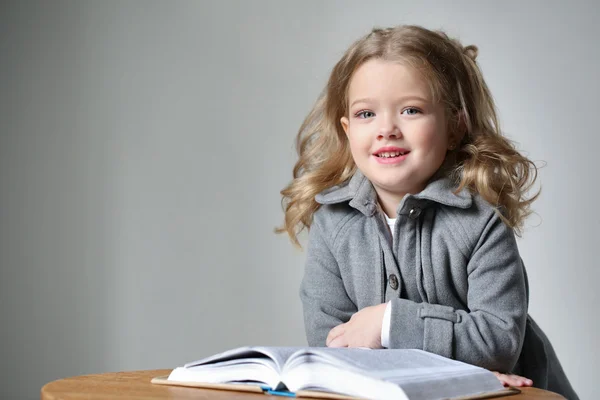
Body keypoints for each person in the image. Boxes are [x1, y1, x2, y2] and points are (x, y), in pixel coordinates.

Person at [277, 25, 578, 399]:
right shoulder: (333, 223)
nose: (387, 129)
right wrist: (458, 366)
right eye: (366, 113)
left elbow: (498, 342)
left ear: (454, 126)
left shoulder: (481, 221)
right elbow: (334, 346)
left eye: (411, 110)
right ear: (347, 129)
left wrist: (388, 322)